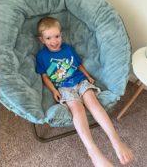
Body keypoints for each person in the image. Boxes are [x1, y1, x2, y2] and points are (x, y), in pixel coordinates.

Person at [35, 17, 134, 167]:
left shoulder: (68, 49)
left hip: (81, 81)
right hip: (64, 87)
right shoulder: (42, 56)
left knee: (93, 103)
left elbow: (78, 65)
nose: (54, 41)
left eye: (57, 36)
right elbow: (44, 76)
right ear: (42, 39)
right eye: (49, 38)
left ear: (61, 35)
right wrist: (54, 90)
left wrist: (87, 76)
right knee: (78, 109)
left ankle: (116, 140)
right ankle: (92, 150)